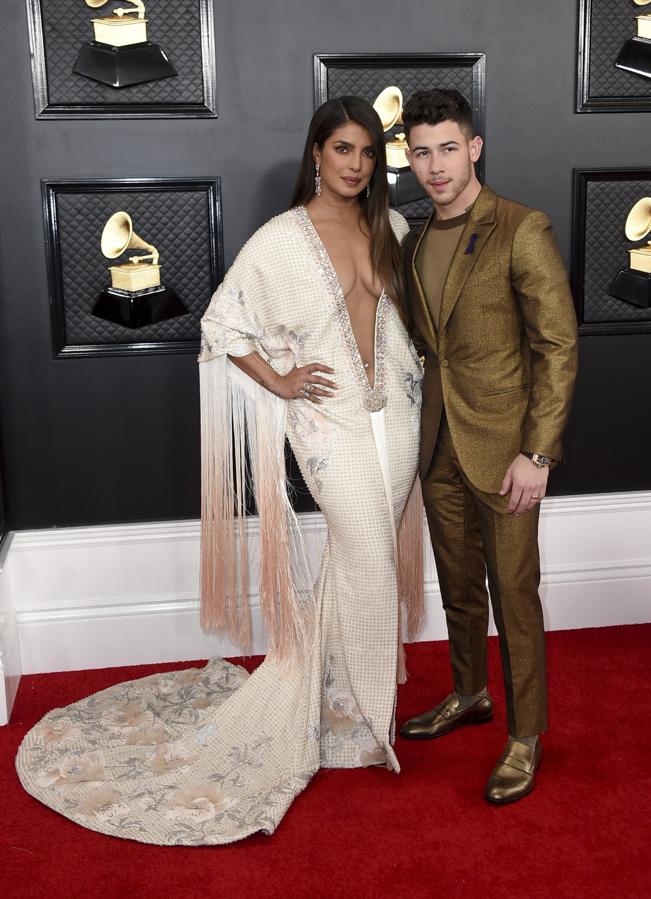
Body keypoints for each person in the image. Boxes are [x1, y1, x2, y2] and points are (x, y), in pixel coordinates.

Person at [15, 97, 424, 844]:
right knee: (365, 552)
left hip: (396, 415)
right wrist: (280, 381)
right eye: (342, 149)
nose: (355, 164)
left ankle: (337, 700)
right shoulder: (279, 240)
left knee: (360, 559)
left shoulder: (391, 229)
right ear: (315, 153)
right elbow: (221, 323)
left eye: (367, 152)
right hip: (326, 424)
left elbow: (408, 325)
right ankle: (368, 718)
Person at [398, 88, 578, 804]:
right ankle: (468, 692)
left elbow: (557, 347)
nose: (435, 165)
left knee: (513, 593)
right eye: (421, 151)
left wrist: (536, 454)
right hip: (436, 443)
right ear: (407, 159)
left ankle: (524, 735)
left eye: (448, 147)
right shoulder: (414, 240)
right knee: (458, 588)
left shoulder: (519, 227)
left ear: (473, 148)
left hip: (506, 450)